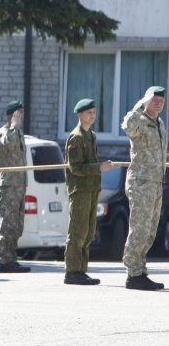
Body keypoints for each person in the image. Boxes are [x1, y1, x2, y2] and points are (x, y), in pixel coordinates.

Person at [64, 98, 115, 286]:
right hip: (80, 190)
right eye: (88, 113)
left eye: (94, 112)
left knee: (88, 232)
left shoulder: (91, 135)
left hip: (92, 189)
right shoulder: (76, 137)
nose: (92, 116)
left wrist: (98, 170)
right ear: (79, 115)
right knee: (77, 231)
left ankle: (81, 270)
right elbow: (76, 167)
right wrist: (99, 168)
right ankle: (72, 271)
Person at [121, 86, 166, 290]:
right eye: (155, 99)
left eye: (162, 100)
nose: (159, 102)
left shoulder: (160, 124)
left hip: (156, 183)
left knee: (150, 230)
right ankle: (133, 273)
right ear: (146, 101)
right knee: (139, 228)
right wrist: (138, 107)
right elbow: (126, 127)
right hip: (141, 183)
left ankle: (141, 270)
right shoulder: (138, 120)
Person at [0, 100, 31, 273]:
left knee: (17, 225)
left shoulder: (18, 133)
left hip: (19, 185)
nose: (21, 116)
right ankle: (5, 260)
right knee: (8, 224)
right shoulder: (4, 132)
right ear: (12, 115)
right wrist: (13, 126)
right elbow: (8, 144)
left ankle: (12, 257)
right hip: (9, 185)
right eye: (19, 113)